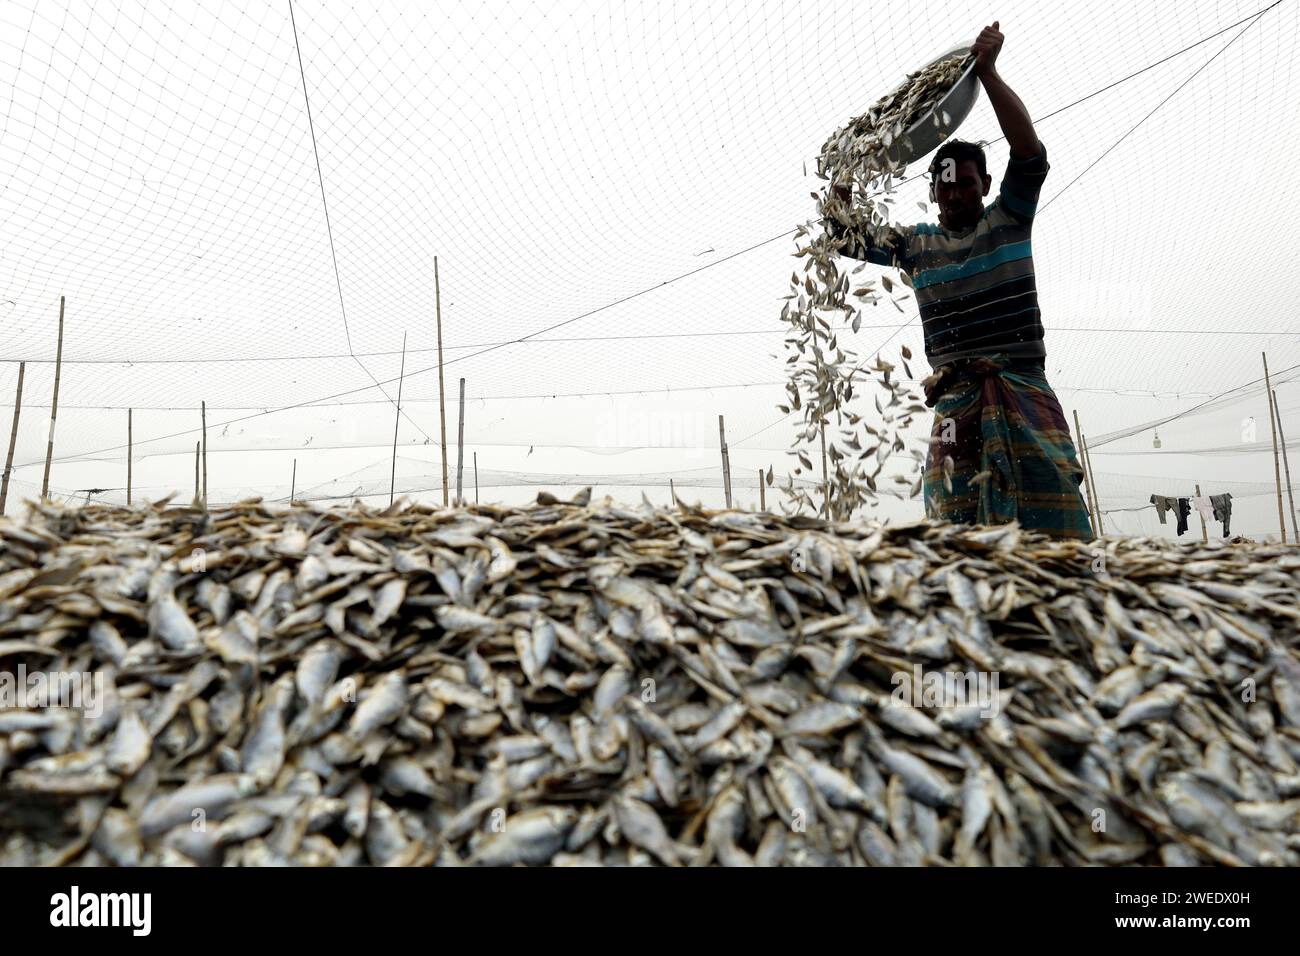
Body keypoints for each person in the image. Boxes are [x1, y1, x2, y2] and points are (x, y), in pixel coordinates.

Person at [826, 22, 1093, 540]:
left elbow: (1029, 153)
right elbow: (842, 233)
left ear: (985, 184)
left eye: (966, 184)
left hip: (1023, 388)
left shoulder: (1009, 219)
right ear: (932, 189)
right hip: (955, 403)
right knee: (956, 529)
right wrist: (850, 162)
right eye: (944, 186)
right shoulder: (915, 245)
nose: (954, 195)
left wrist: (988, 74)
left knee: (1056, 519)